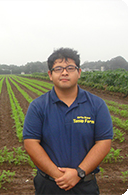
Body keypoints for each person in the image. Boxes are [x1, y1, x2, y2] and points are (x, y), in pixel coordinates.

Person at [23, 48, 113, 194]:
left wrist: (79, 173)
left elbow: (103, 142)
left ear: (79, 72)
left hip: (85, 185)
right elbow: (31, 143)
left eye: (70, 68)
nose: (64, 72)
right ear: (50, 75)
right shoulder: (38, 106)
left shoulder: (97, 105)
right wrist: (59, 176)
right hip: (49, 185)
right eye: (58, 68)